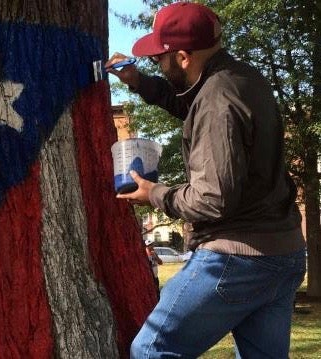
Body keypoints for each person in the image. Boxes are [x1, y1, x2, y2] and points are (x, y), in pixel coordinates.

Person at [105, 2, 306, 358]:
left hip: (237, 258)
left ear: (183, 57)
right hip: (284, 252)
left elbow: (212, 199)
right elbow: (191, 103)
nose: (156, 64)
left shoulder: (217, 100)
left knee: (151, 349)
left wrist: (156, 193)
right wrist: (139, 82)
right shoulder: (241, 78)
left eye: (158, 60)